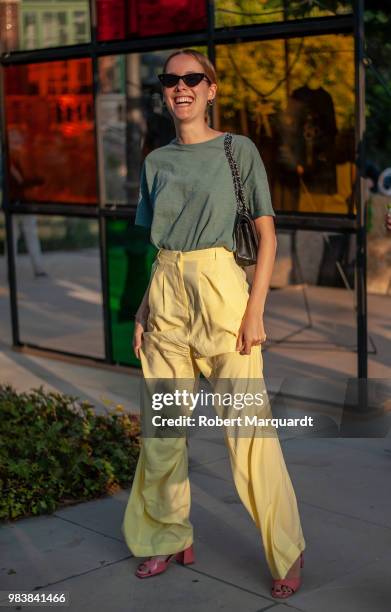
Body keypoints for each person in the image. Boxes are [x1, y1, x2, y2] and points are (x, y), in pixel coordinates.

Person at [122, 48, 306, 599]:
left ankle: (286, 548)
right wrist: (141, 309)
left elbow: (266, 236)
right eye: (171, 80)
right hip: (166, 295)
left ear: (211, 88)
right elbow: (153, 247)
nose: (180, 87)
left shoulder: (237, 149)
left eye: (192, 79)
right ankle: (165, 536)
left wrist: (255, 311)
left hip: (224, 293)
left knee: (248, 434)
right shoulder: (156, 161)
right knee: (161, 434)